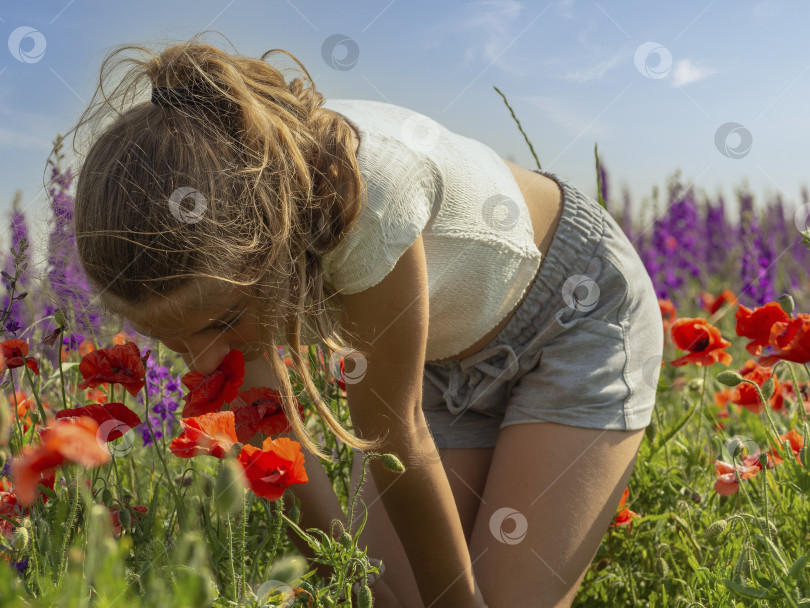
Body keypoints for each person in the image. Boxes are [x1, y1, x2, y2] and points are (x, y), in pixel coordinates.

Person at [66, 34, 664, 608]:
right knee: (392, 592)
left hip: (573, 319)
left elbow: (393, 437)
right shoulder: (222, 265)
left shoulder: (365, 196)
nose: (200, 361)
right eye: (165, 337)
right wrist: (356, 595)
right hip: (432, 361)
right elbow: (281, 464)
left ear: (268, 247)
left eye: (220, 323)